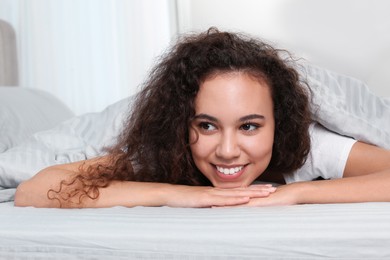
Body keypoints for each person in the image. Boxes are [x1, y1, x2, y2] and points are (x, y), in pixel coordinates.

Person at [14, 28, 390, 208]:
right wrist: (177, 194)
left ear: (279, 125)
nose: (227, 150)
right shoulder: (166, 154)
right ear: (183, 124)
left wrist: (298, 192)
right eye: (206, 125)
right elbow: (33, 190)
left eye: (249, 126)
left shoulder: (311, 148)